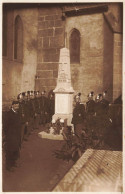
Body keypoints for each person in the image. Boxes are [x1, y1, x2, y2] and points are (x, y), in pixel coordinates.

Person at [3, 101, 21, 172]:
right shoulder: (8, 114)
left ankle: (13, 163)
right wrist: (8, 134)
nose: (17, 107)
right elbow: (5, 126)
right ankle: (8, 166)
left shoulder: (17, 113)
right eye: (16, 106)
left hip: (16, 135)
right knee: (9, 151)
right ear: (12, 106)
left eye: (18, 106)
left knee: (16, 150)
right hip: (10, 136)